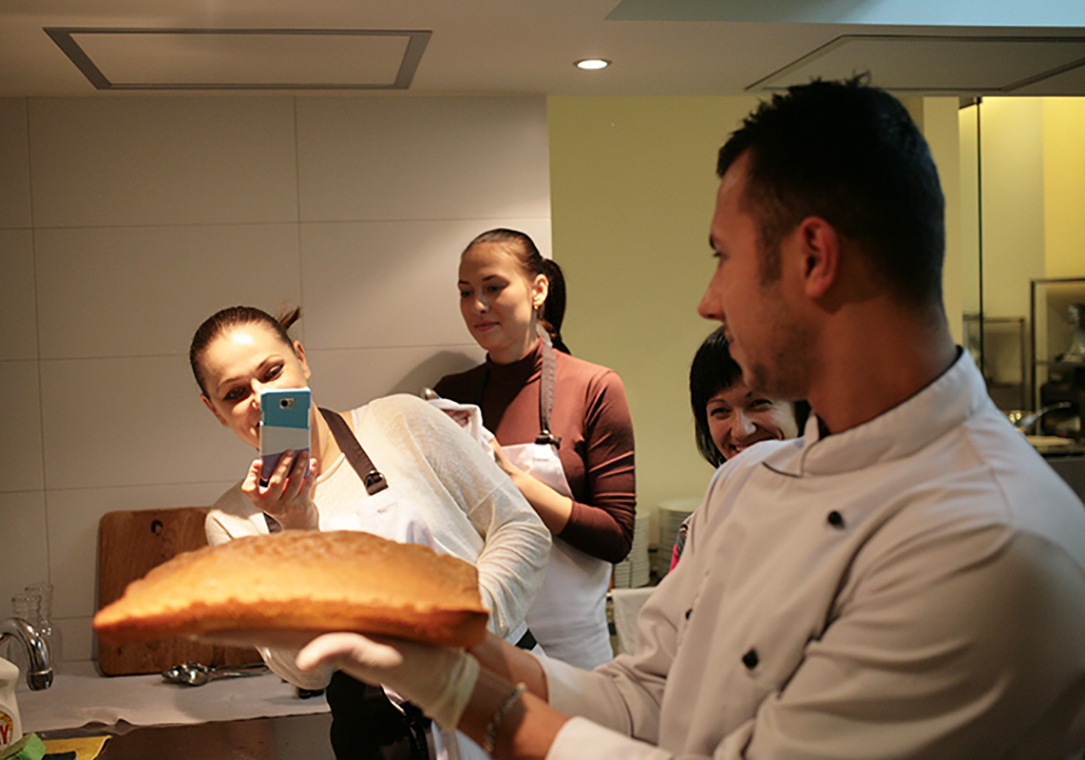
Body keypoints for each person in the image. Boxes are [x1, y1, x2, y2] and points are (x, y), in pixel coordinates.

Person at [294, 78, 1085, 759]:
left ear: (814, 257)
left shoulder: (991, 545)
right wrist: (465, 647)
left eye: (721, 256)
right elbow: (647, 697)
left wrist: (466, 694)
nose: (708, 301)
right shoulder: (748, 483)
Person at [189, 305, 551, 760]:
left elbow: (522, 528)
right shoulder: (233, 522)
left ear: (302, 358)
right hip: (382, 739)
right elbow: (304, 673)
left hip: (501, 692)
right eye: (235, 393)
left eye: (272, 371)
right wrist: (297, 529)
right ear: (216, 411)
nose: (260, 399)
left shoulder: (401, 422)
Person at [432, 228, 636, 669]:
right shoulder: (450, 398)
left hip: (577, 656)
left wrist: (510, 480)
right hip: (487, 651)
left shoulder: (594, 387)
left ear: (538, 288)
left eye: (493, 287)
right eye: (466, 293)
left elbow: (617, 537)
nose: (477, 306)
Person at [669, 326, 809, 570]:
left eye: (758, 403)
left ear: (800, 408)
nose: (741, 430)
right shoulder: (698, 531)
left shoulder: (837, 515)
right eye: (720, 411)